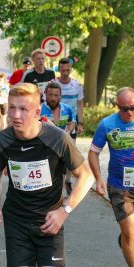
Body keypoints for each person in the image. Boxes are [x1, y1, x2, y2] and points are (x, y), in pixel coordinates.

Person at [0, 83, 95, 267]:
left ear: (37, 112)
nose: (15, 115)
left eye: (23, 109)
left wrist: (65, 211)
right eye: (12, 107)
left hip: (49, 221)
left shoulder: (58, 138)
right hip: (16, 221)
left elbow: (86, 176)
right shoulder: (1, 140)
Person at [88, 87, 134, 267]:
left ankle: (127, 237)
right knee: (129, 232)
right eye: (124, 108)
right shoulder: (107, 124)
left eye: (133, 107)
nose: (129, 112)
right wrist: (99, 179)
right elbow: (93, 153)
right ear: (117, 106)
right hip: (119, 186)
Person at [53, 57, 84, 194]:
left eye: (68, 70)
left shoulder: (77, 85)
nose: (65, 73)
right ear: (59, 70)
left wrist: (80, 123)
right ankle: (57, 182)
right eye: (63, 70)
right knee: (56, 155)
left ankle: (68, 180)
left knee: (70, 155)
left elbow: (80, 104)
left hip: (70, 124)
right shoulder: (53, 84)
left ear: (71, 69)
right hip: (54, 125)